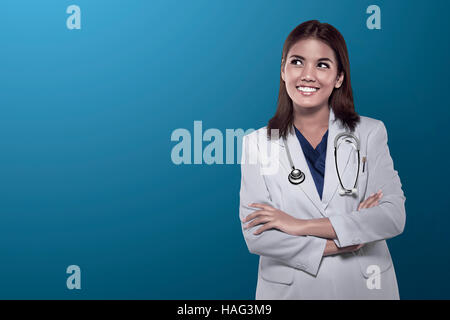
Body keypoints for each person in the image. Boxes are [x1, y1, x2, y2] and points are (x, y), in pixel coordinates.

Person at [239, 20, 406, 300]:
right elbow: (258, 235)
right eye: (297, 62)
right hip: (292, 291)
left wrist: (297, 224)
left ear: (339, 77)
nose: (308, 75)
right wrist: (346, 238)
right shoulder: (257, 144)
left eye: (322, 65)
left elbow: (392, 217)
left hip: (364, 287)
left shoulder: (370, 133)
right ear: (283, 69)